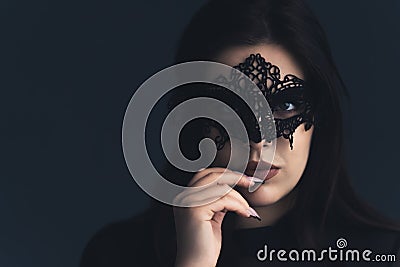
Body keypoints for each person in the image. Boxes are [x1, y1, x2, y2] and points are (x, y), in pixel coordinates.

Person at [80, 0, 400, 266]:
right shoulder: (117, 254)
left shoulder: (382, 254)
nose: (259, 141)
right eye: (230, 107)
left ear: (321, 114)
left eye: (285, 103)